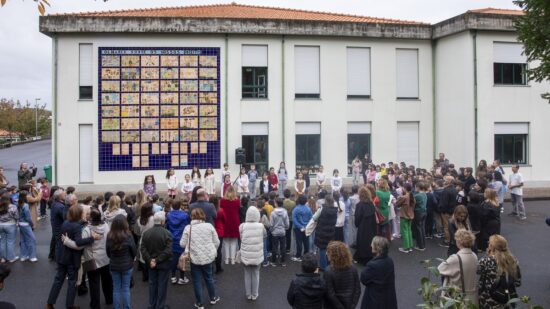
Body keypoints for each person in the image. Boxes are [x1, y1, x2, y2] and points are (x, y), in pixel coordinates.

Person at [46, 205, 100, 309]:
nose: (84, 214)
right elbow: (79, 242)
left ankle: (50, 303)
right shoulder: (76, 226)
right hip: (72, 259)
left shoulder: (65, 223)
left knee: (58, 280)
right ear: (79, 214)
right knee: (72, 282)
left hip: (62, 257)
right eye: (83, 212)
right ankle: (69, 305)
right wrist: (92, 238)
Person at [62, 208, 112, 309]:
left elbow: (79, 246)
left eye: (88, 214)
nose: (86, 215)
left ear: (91, 218)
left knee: (94, 284)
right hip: (106, 258)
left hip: (92, 260)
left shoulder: (87, 229)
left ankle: (95, 305)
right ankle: (109, 299)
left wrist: (67, 241)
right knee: (107, 281)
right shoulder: (106, 225)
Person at [180, 208, 221, 309]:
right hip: (208, 257)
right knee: (209, 278)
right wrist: (213, 250)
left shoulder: (188, 228)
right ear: (203, 215)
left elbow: (182, 244)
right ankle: (213, 298)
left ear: (192, 217)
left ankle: (199, 303)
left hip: (194, 258)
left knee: (197, 281)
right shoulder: (209, 226)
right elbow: (217, 242)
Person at [478, 235, 522, 308]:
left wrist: (488, 255)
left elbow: (478, 271)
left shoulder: (486, 261)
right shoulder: (513, 261)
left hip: (488, 300)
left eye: (489, 243)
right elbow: (517, 283)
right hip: (506, 299)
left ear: (492, 247)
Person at [437, 229, 479, 306]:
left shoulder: (456, 258)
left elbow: (439, 269)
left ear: (459, 242)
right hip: (473, 296)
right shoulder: (474, 255)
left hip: (459, 296)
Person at [141, 212, 173, 309]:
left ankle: (152, 305)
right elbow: (168, 250)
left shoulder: (146, 233)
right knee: (162, 285)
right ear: (163, 221)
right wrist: (157, 260)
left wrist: (151, 260)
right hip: (163, 263)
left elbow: (143, 249)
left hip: (151, 264)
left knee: (152, 284)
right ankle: (160, 306)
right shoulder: (167, 233)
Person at [107, 214, 137, 309]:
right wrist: (131, 259)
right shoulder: (128, 235)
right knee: (125, 289)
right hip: (127, 266)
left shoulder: (109, 236)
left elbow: (108, 252)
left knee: (116, 289)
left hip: (114, 265)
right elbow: (134, 251)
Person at [360, 236, 397, 309]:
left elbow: (363, 279)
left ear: (377, 248)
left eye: (372, 244)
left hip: (375, 298)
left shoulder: (372, 265)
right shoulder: (390, 261)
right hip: (388, 297)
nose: (370, 245)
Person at [239, 206, 267, 300]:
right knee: (256, 273)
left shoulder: (242, 226)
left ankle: (248, 294)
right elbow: (265, 235)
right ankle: (254, 294)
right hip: (257, 255)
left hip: (246, 254)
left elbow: (241, 236)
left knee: (247, 274)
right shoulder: (261, 226)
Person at [323, 241, 360, 309]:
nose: (326, 253)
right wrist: (353, 305)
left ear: (333, 255)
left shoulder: (328, 271)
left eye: (328, 252)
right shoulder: (353, 269)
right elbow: (357, 290)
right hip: (349, 304)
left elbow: (330, 293)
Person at [166, 199, 190, 284]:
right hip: (182, 238)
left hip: (172, 238)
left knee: (174, 258)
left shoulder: (168, 215)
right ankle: (182, 277)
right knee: (182, 258)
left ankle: (173, 276)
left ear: (172, 206)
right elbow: (187, 226)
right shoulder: (185, 215)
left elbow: (167, 227)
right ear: (180, 206)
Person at [313, 195, 337, 271]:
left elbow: (314, 218)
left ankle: (323, 266)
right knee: (329, 248)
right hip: (331, 231)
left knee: (322, 249)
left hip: (322, 232)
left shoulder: (322, 209)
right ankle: (330, 264)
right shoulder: (335, 210)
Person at [354, 187, 377, 265]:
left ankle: (362, 258)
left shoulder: (359, 205)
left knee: (362, 242)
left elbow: (357, 217)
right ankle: (370, 256)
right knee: (370, 242)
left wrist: (356, 224)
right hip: (371, 227)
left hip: (362, 227)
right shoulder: (371, 204)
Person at [221, 186, 240, 264]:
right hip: (235, 221)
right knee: (233, 241)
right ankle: (232, 259)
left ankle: (226, 259)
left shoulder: (222, 201)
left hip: (225, 221)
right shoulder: (237, 201)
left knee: (225, 241)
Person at [292, 195, 312, 262]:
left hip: (298, 228)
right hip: (306, 227)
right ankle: (306, 255)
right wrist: (306, 226)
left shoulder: (296, 209)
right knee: (306, 242)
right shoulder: (308, 209)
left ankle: (298, 256)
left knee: (299, 242)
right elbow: (311, 219)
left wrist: (300, 226)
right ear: (306, 201)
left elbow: (294, 220)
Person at [396, 183, 415, 253]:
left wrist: (398, 199)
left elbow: (397, 204)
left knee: (404, 231)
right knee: (409, 230)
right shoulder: (412, 196)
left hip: (404, 215)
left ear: (405, 188)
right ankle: (410, 246)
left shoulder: (404, 197)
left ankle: (406, 247)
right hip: (410, 215)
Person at [138, 203, 155, 282]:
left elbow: (139, 231)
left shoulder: (139, 219)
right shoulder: (153, 218)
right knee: (151, 256)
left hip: (143, 238)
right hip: (151, 239)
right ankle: (151, 275)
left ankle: (145, 276)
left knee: (143, 257)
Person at [270, 198, 289, 266]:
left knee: (274, 247)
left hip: (275, 232)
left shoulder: (273, 213)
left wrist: (271, 230)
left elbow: (271, 224)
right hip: (282, 231)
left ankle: (273, 261)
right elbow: (287, 223)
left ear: (276, 204)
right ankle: (283, 262)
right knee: (283, 247)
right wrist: (285, 228)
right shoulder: (285, 212)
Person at [49, 188, 66, 261]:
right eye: (63, 194)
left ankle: (53, 256)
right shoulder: (60, 206)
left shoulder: (54, 203)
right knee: (59, 245)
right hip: (59, 228)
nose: (65, 194)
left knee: (55, 242)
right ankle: (59, 260)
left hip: (55, 226)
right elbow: (65, 218)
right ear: (59, 196)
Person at [0, 195, 18, 263]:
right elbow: (16, 216)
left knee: (2, 242)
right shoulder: (13, 206)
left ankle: (3, 258)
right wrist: (16, 222)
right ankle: (11, 258)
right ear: (9, 199)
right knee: (10, 242)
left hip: (1, 225)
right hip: (10, 225)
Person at [211, 195, 225, 273]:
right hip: (219, 231)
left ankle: (211, 267)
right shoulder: (220, 210)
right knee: (219, 250)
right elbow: (224, 220)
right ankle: (218, 268)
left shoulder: (209, 210)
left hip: (211, 230)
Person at [413, 181, 428, 251]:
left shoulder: (417, 196)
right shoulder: (425, 194)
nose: (415, 188)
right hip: (424, 212)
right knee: (422, 228)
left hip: (418, 213)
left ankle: (421, 246)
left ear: (418, 187)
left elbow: (413, 204)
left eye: (415, 187)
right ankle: (423, 245)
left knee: (418, 229)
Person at [282, 189, 296, 254]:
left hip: (282, 220)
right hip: (290, 219)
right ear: (290, 195)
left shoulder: (282, 202)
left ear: (284, 195)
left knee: (283, 234)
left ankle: (283, 247)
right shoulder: (293, 203)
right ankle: (288, 248)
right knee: (289, 234)